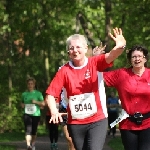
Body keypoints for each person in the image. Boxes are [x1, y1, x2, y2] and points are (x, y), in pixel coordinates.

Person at [45, 27, 126, 150]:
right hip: (76, 122)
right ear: (68, 52)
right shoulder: (64, 71)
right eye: (71, 48)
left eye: (78, 47)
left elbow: (112, 55)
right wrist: (54, 111)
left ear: (85, 49)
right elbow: (51, 94)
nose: (75, 50)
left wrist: (121, 45)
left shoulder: (95, 62)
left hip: (97, 119)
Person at [94, 45, 150, 150]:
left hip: (148, 123)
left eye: (139, 56)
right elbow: (98, 76)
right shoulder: (121, 74)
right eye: (133, 57)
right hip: (127, 124)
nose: (137, 59)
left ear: (145, 58)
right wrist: (96, 58)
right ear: (130, 60)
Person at [21, 77, 45, 150]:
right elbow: (21, 103)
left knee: (34, 130)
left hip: (36, 114)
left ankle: (33, 144)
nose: (30, 85)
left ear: (34, 85)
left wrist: (36, 102)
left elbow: (43, 104)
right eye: (29, 84)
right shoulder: (24, 94)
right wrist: (22, 105)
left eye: (32, 84)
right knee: (28, 129)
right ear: (27, 85)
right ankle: (28, 146)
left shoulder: (38, 93)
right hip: (27, 114)